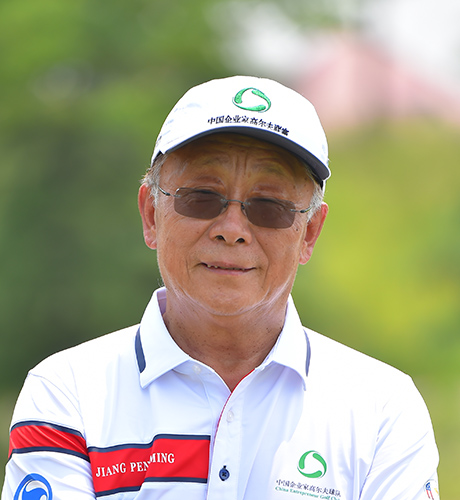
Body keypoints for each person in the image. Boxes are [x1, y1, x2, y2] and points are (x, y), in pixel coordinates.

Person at [2, 76, 439, 500]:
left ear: (309, 232)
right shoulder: (66, 393)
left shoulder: (383, 409)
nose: (232, 229)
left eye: (269, 205)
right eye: (201, 197)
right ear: (151, 215)